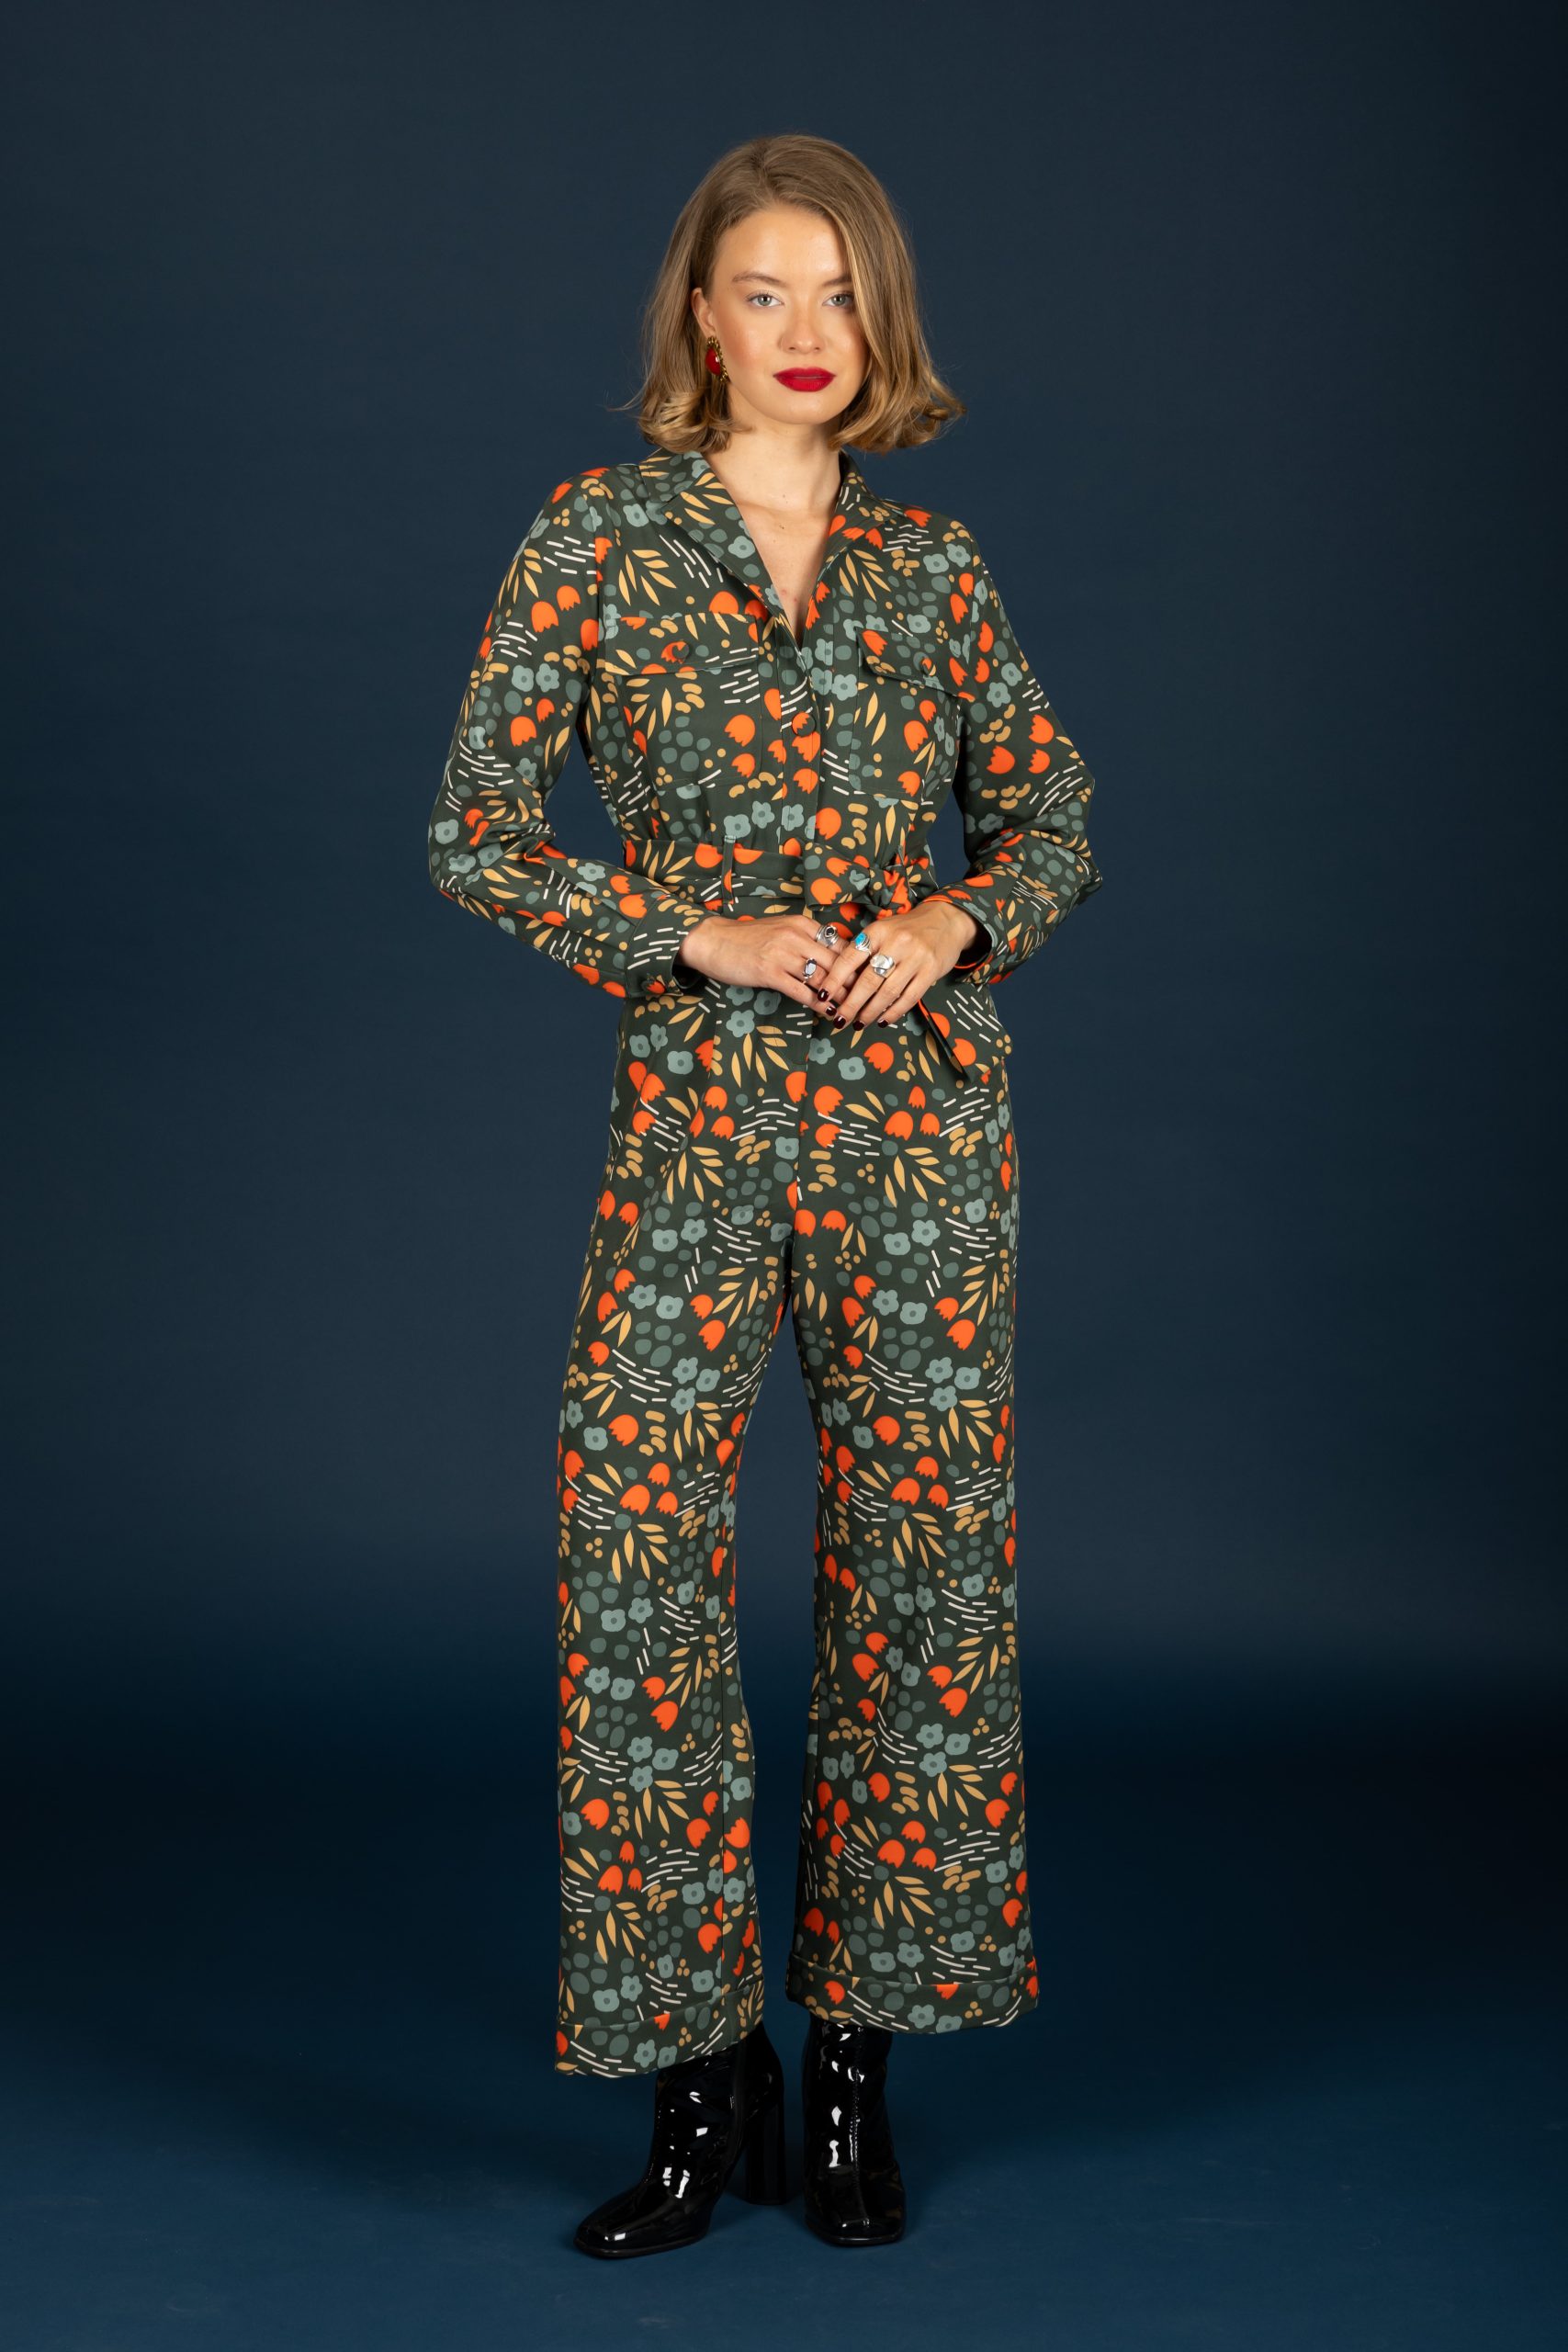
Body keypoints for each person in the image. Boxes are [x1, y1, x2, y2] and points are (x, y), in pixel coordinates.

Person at [426, 130, 1103, 2256]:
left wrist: (958, 921)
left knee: (923, 1581)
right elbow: (473, 828)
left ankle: (851, 2079)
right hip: (701, 1121)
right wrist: (683, 931)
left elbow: (1053, 818)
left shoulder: (932, 570)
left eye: (838, 294)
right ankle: (694, 2083)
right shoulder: (594, 538)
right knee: (632, 1558)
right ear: (699, 319)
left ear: (875, 322)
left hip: (920, 1143)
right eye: (763, 292)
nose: (805, 331)